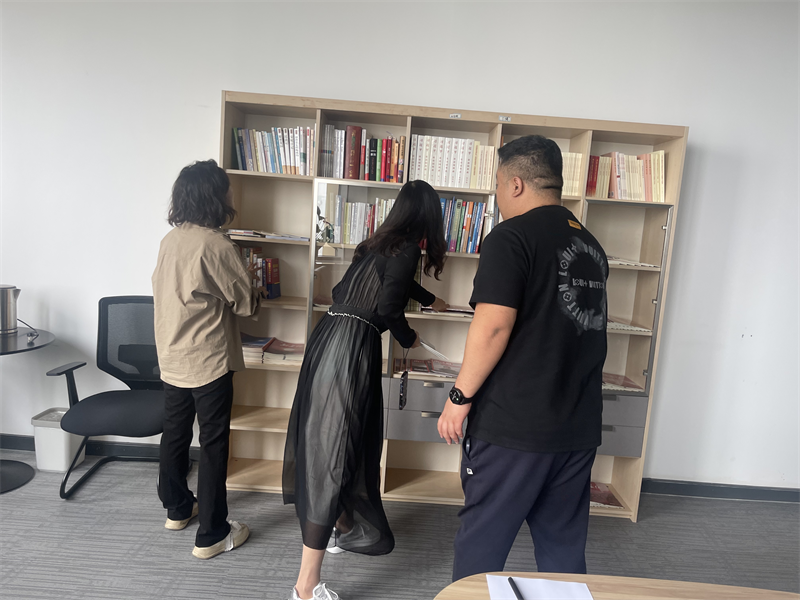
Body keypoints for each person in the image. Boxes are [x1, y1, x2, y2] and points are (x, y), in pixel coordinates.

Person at [438, 135, 609, 580]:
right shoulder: (590, 245)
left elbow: (494, 326)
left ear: (515, 184)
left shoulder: (510, 237)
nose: (497, 196)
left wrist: (459, 397)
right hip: (576, 426)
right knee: (562, 550)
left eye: (497, 185)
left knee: (481, 546)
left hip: (515, 429)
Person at [283, 180, 450, 600]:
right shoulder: (407, 249)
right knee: (336, 452)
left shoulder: (376, 245)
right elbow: (391, 307)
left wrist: (430, 299)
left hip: (328, 338)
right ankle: (305, 587)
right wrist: (409, 337)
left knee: (335, 444)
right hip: (352, 349)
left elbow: (383, 285)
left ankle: (340, 528)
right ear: (428, 217)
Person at [153, 159, 262, 560]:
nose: (231, 194)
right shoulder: (217, 246)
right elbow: (246, 304)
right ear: (214, 196)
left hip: (171, 354)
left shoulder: (171, 240)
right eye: (226, 188)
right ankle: (212, 534)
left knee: (175, 432)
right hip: (207, 358)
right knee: (213, 443)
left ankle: (177, 508)